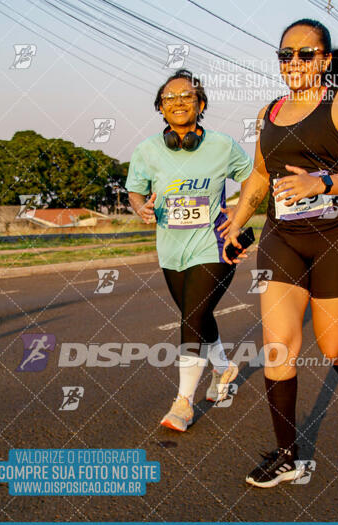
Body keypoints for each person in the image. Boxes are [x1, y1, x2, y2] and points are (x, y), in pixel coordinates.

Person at [224, 19, 338, 487]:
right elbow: (261, 176)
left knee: (333, 345)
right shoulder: (268, 113)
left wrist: (322, 182)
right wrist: (238, 218)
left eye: (305, 55)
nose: (294, 63)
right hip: (282, 237)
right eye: (286, 55)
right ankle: (287, 455)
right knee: (279, 345)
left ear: (325, 60)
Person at [126, 69, 253, 432]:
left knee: (193, 313)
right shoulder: (147, 150)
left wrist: (240, 218)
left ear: (200, 104)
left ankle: (183, 402)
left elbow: (252, 177)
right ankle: (224, 367)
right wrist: (139, 206)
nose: (178, 102)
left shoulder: (223, 145)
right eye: (170, 98)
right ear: (160, 109)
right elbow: (135, 189)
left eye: (187, 96)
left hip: (214, 245)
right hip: (171, 249)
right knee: (196, 315)